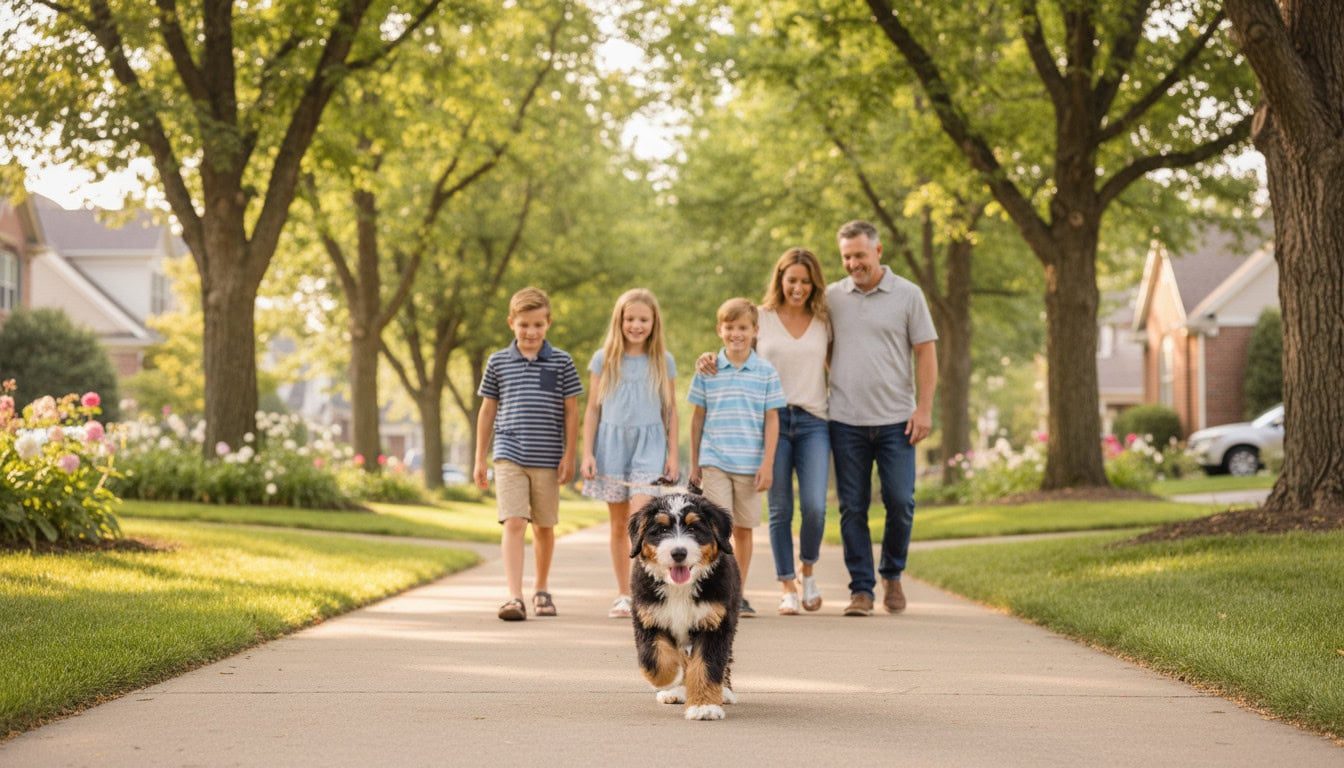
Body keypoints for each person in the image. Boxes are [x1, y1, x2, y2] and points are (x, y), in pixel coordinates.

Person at [828, 220, 937, 617]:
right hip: (844, 420)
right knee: (852, 507)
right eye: (846, 257)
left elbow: (926, 352)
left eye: (859, 254)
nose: (853, 263)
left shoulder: (909, 295)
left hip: (896, 420)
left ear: (879, 251)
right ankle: (862, 589)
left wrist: (924, 408)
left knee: (900, 501)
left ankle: (892, 573)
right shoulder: (832, 297)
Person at [474, 287, 583, 622]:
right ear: (511, 323)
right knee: (515, 521)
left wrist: (569, 454)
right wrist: (480, 457)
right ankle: (514, 596)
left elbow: (571, 412)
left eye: (538, 324)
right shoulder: (498, 362)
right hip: (509, 453)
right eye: (524, 325)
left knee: (545, 526)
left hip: (548, 457)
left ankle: (542, 588)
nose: (531, 332)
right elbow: (487, 410)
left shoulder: (562, 361)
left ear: (548, 323)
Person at [580, 288, 679, 619]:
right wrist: (588, 453)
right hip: (611, 445)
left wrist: (672, 455)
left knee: (642, 518)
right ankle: (624, 593)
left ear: (654, 323)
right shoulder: (604, 358)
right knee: (618, 522)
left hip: (649, 446)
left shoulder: (662, 361)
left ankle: (645, 591)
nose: (636, 325)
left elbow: (671, 410)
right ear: (619, 321)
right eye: (630, 319)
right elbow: (593, 409)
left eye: (643, 319)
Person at [688, 297, 786, 617]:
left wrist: (768, 463)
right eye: (729, 327)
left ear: (755, 331)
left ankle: (737, 591)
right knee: (718, 526)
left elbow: (772, 419)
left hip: (750, 463)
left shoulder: (766, 372)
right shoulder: (709, 368)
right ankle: (716, 587)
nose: (736, 334)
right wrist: (695, 463)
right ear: (720, 330)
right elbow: (697, 417)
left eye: (743, 327)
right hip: (715, 460)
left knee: (744, 528)